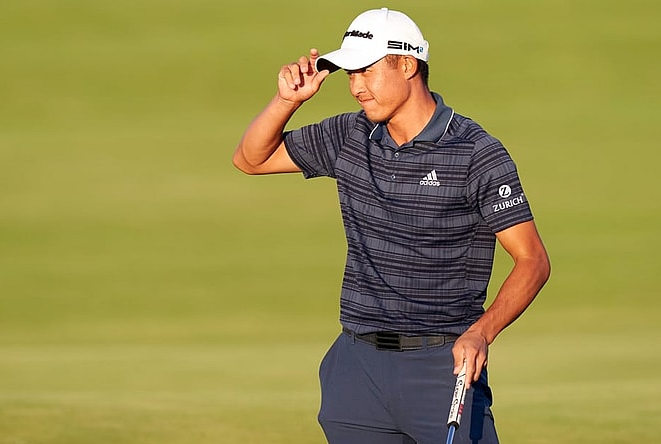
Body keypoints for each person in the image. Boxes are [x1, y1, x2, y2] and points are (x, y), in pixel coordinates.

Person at [232, 7, 550, 444]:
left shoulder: (476, 153)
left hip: (440, 365)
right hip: (356, 369)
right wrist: (287, 101)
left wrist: (482, 332)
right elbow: (251, 159)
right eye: (350, 74)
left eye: (366, 70)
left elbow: (532, 260)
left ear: (407, 65)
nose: (356, 87)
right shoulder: (350, 135)